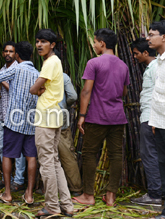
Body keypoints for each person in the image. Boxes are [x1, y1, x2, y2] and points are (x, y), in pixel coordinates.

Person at [0, 41, 38, 205]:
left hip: (14, 122)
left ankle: (8, 194)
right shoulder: (38, 73)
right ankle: (29, 195)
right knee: (31, 156)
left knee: (8, 155)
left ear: (17, 55)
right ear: (31, 55)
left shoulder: (15, 69)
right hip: (31, 122)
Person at [73, 28, 130, 207]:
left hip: (97, 117)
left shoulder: (94, 63)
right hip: (118, 117)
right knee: (116, 155)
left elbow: (86, 91)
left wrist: (81, 116)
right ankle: (111, 196)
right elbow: (124, 92)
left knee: (89, 154)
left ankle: (88, 195)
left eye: (95, 42)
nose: (94, 45)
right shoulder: (123, 65)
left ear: (102, 44)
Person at [29, 29, 73, 217]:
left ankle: (52, 207)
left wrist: (36, 90)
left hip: (46, 117)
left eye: (44, 42)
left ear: (53, 45)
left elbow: (34, 88)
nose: (39, 45)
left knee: (46, 163)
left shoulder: (49, 62)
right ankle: (67, 205)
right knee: (54, 161)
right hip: (55, 116)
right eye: (37, 41)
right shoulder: (56, 62)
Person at [129, 38, 162, 205]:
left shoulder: (155, 68)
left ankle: (155, 194)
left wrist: (155, 119)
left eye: (136, 54)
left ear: (146, 53)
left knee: (149, 154)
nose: (134, 57)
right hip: (152, 117)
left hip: (151, 117)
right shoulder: (154, 67)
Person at [0, 41, 26, 191]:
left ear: (16, 54)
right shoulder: (4, 69)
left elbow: (15, 90)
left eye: (11, 51)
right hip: (4, 115)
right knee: (1, 145)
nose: (7, 54)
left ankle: (18, 181)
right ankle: (7, 178)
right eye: (5, 51)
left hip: (16, 116)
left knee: (18, 150)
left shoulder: (19, 69)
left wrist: (0, 78)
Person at [147, 21, 165, 219]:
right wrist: (154, 121)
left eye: (152, 34)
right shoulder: (158, 61)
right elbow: (157, 96)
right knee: (162, 163)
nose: (148, 38)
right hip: (160, 122)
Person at [57, 69, 82, 197]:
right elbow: (73, 96)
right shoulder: (64, 76)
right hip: (62, 118)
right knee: (67, 153)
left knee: (47, 156)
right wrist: (64, 106)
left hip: (44, 118)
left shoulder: (42, 75)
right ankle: (75, 187)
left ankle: (47, 188)